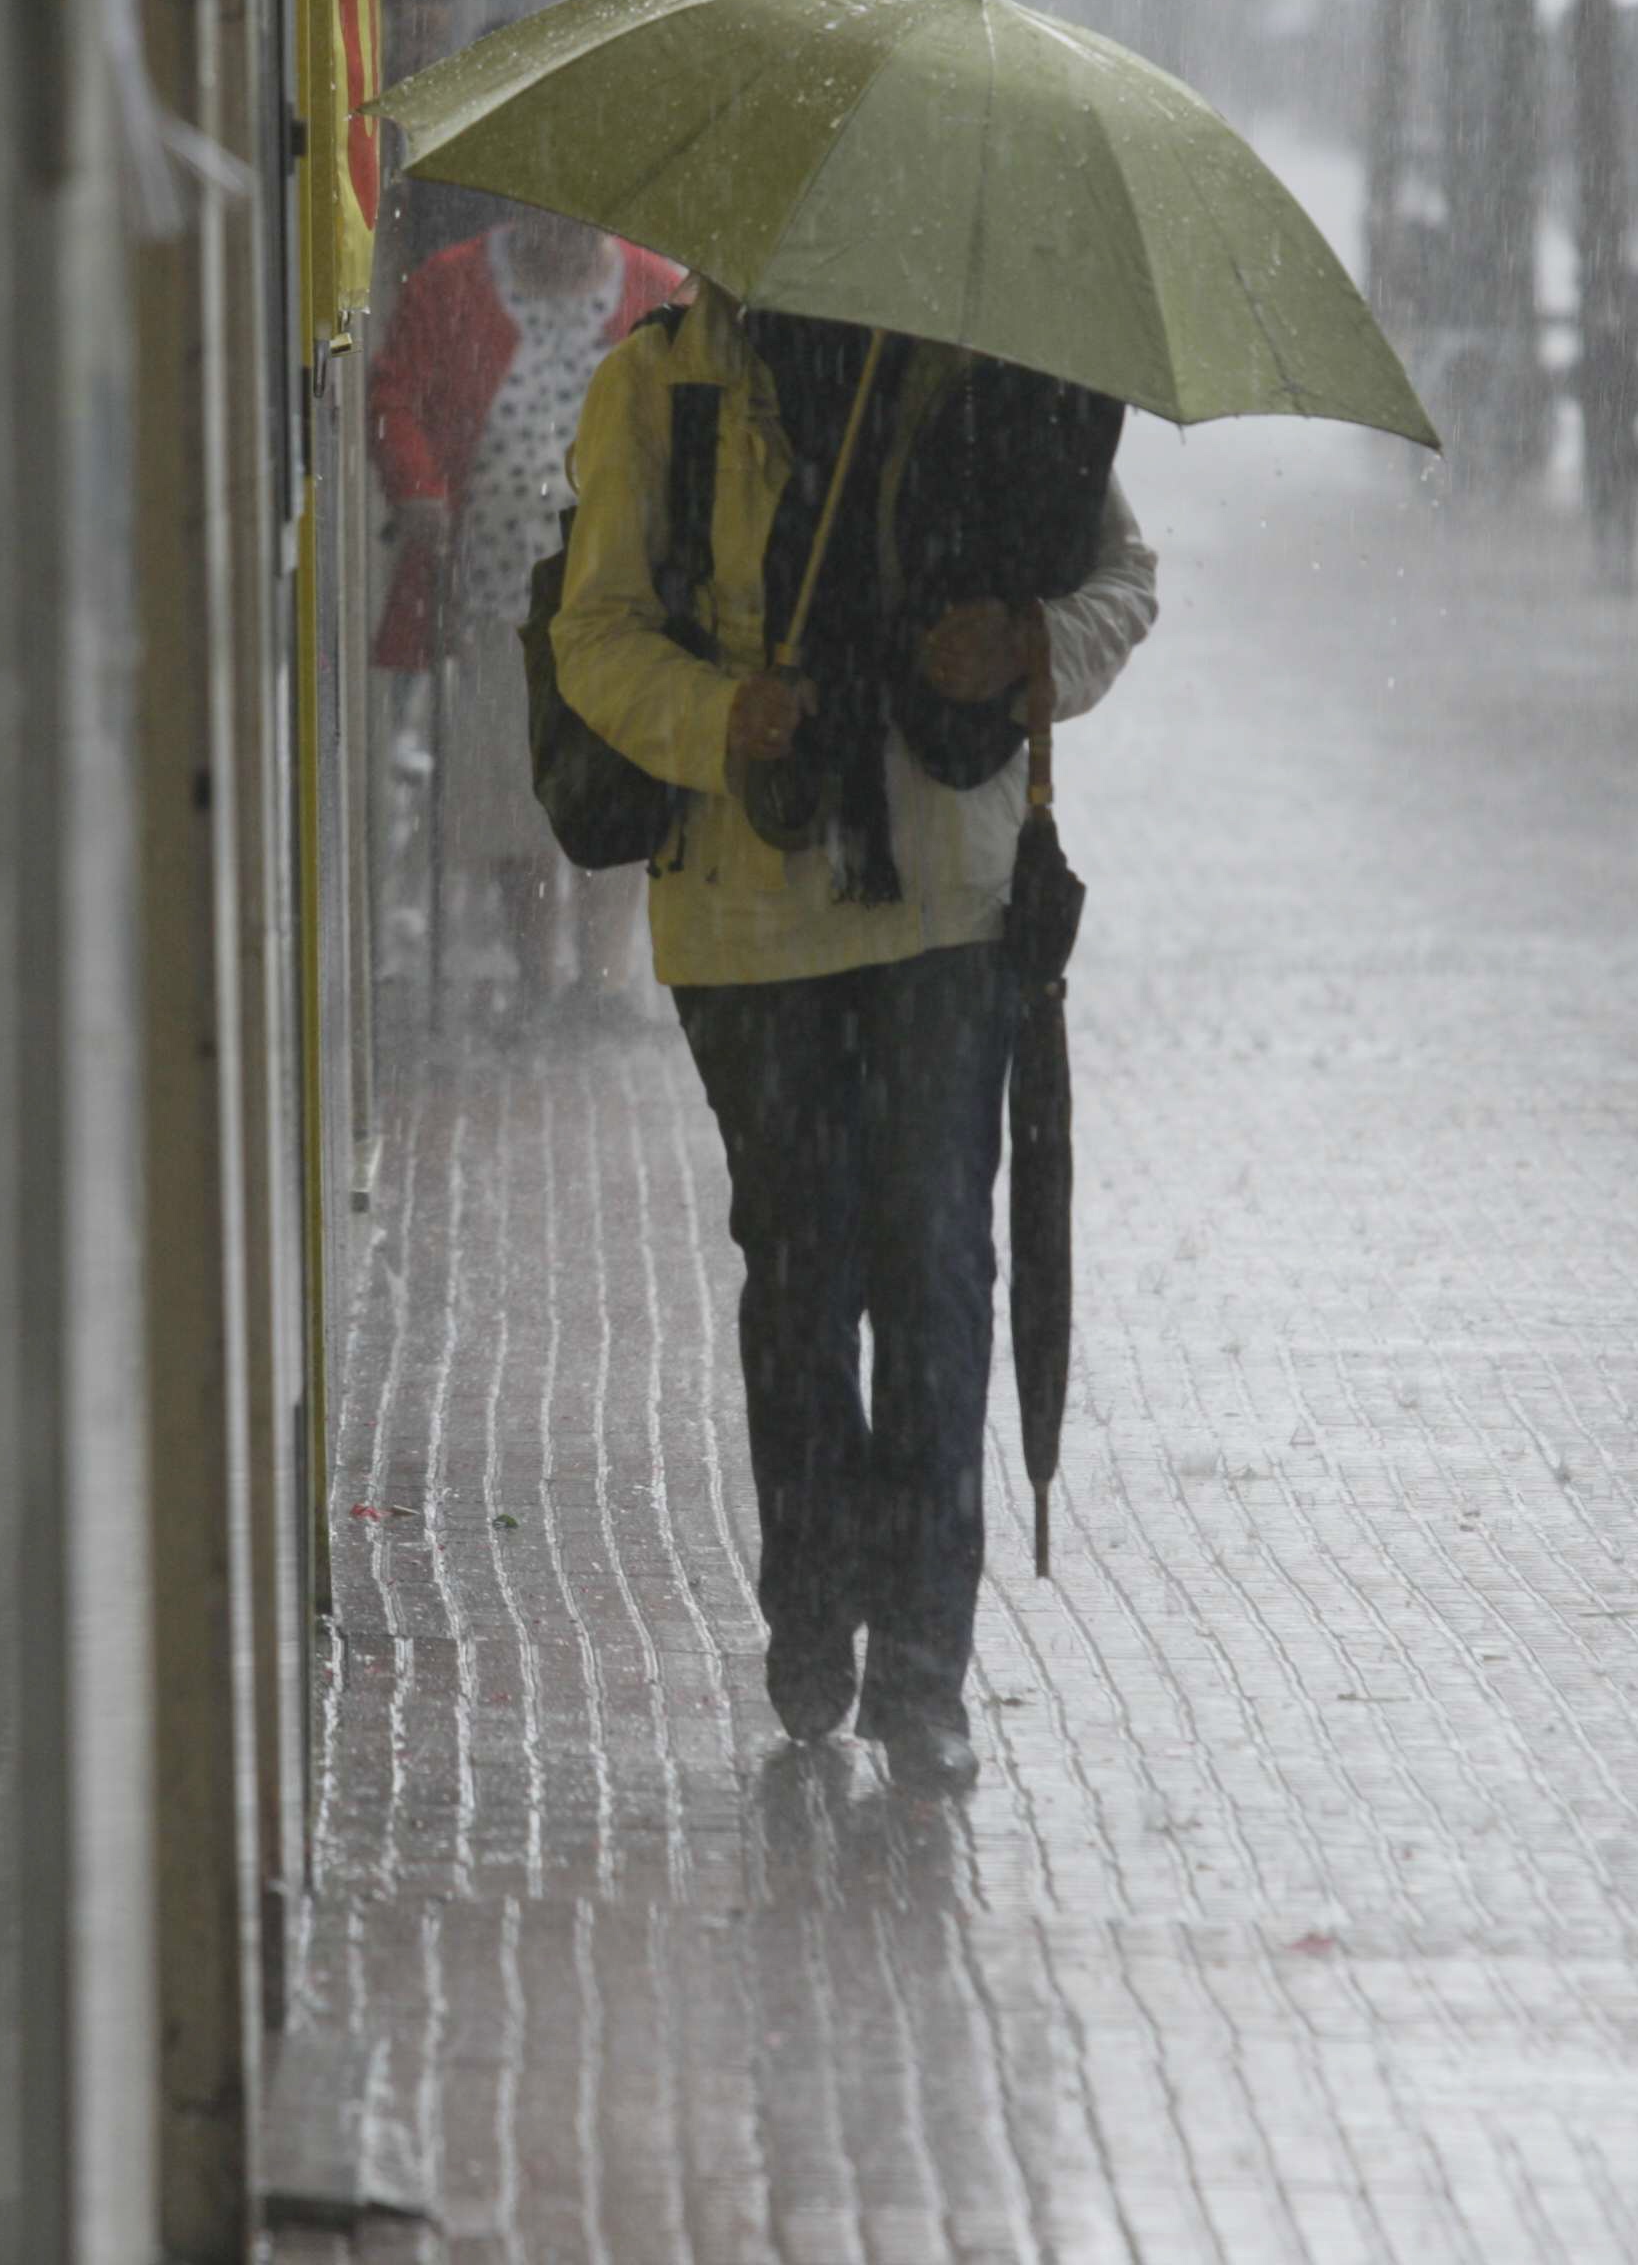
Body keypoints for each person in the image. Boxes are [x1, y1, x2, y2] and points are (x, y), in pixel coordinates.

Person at [552, 282, 1157, 1793]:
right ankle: (814, 1598)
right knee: (804, 1263)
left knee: (939, 1262)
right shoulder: (662, 391)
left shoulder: (987, 373)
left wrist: (1022, 640)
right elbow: (597, 631)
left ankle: (924, 1669)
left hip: (947, 907)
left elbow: (1121, 581)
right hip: (745, 919)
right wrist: (721, 716)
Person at [367, 205, 684, 1008]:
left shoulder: (654, 289)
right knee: (515, 786)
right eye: (550, 217)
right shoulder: (453, 287)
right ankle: (538, 972)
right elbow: (393, 398)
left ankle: (604, 977)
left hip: (621, 598)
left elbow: (696, 420)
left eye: (582, 220)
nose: (565, 234)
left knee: (613, 775)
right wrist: (419, 493)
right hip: (496, 594)